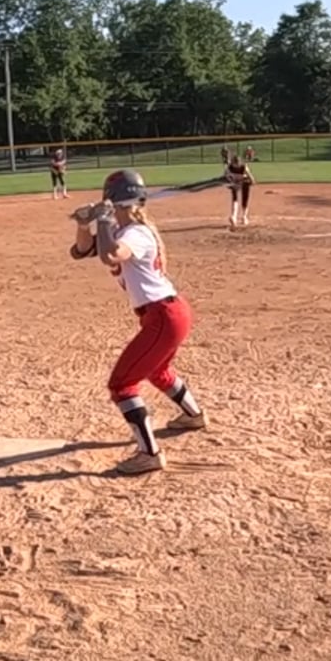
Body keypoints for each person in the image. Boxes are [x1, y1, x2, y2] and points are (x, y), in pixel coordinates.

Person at [70, 170, 209, 475]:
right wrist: (84, 223)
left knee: (121, 384)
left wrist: (102, 219)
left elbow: (111, 256)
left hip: (163, 315)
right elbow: (81, 251)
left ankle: (150, 454)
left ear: (112, 198)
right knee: (158, 371)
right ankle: (193, 415)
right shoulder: (121, 229)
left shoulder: (135, 234)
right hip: (167, 313)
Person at [225, 155, 254, 229]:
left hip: (244, 182)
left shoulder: (243, 167)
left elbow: (250, 177)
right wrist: (229, 182)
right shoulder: (230, 167)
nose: (236, 165)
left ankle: (243, 216)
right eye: (235, 163)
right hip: (236, 182)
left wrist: (251, 181)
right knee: (235, 198)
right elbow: (226, 176)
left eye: (237, 163)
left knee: (244, 198)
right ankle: (235, 216)